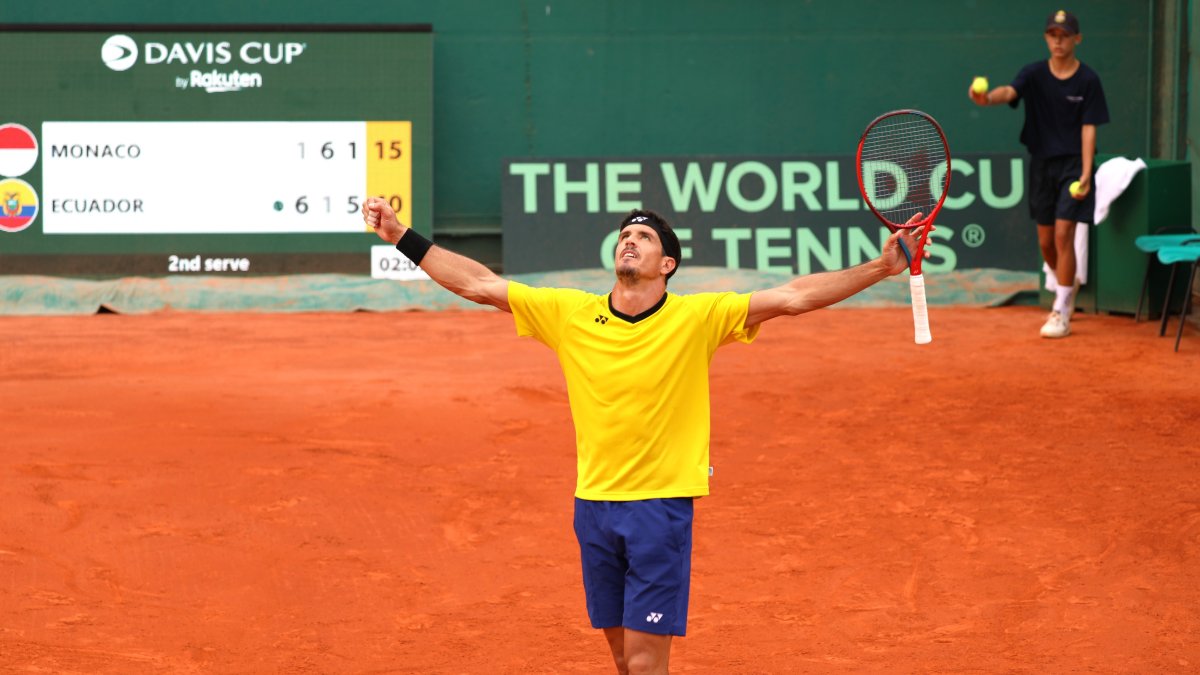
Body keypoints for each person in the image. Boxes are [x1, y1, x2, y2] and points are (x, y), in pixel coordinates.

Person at [364, 200, 927, 675]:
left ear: (668, 264)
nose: (629, 241)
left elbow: (794, 297)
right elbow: (480, 284)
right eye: (625, 236)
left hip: (659, 509)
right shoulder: (569, 313)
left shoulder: (698, 317)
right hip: (593, 504)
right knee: (620, 657)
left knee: (643, 663)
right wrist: (399, 235)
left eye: (644, 237)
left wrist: (881, 268)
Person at [969, 8, 1109, 339]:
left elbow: (1089, 128)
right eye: (1052, 35)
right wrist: (986, 98)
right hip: (1042, 165)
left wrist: (1086, 172)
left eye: (1065, 36)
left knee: (1063, 235)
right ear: (1047, 38)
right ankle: (1065, 285)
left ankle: (1061, 310)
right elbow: (1008, 92)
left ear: (1077, 39)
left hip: (1073, 165)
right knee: (1047, 242)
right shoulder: (1033, 74)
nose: (1058, 41)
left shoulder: (1088, 80)